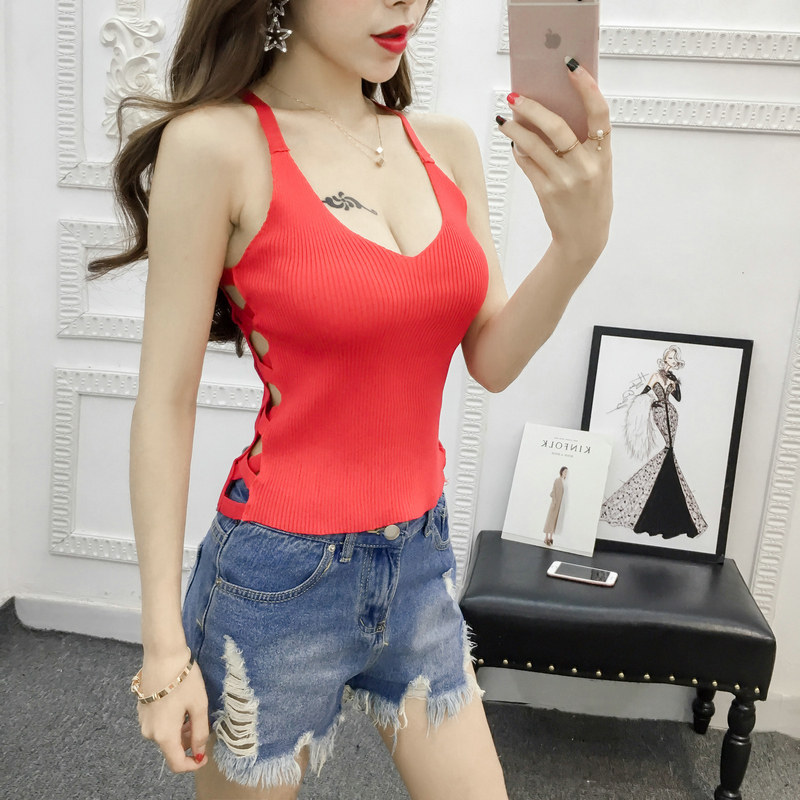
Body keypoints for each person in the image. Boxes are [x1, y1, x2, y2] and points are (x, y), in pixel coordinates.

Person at [89, 1, 613, 797]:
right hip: (277, 582)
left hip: (421, 565)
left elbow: (493, 359)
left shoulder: (446, 145)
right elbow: (165, 401)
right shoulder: (217, 145)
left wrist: (578, 247)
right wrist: (163, 650)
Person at [600, 346, 708, 538]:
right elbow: (645, 392)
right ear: (664, 359)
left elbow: (678, 399)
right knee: (667, 447)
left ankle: (667, 486)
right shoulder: (655, 376)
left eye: (675, 358)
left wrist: (676, 383)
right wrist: (646, 404)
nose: (672, 360)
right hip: (658, 411)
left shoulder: (673, 378)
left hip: (672, 413)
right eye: (670, 357)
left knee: (670, 448)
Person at [543, 466, 568, 546]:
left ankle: (551, 538)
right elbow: (553, 492)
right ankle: (546, 538)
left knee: (554, 522)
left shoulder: (564, 482)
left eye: (567, 472)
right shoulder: (557, 480)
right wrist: (554, 502)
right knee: (550, 521)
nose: (566, 473)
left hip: (560, 505)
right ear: (561, 472)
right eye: (565, 471)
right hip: (555, 504)